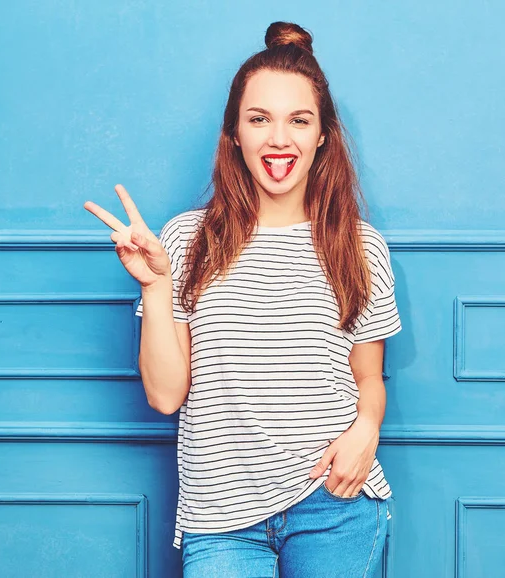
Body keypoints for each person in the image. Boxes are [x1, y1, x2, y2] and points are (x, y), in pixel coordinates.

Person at [84, 20, 401, 578]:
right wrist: (155, 287)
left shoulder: (358, 244)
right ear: (235, 132)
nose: (279, 138)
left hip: (335, 499)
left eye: (298, 120)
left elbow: (368, 379)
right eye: (259, 119)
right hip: (221, 515)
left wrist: (364, 433)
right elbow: (164, 396)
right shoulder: (186, 239)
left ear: (323, 133)